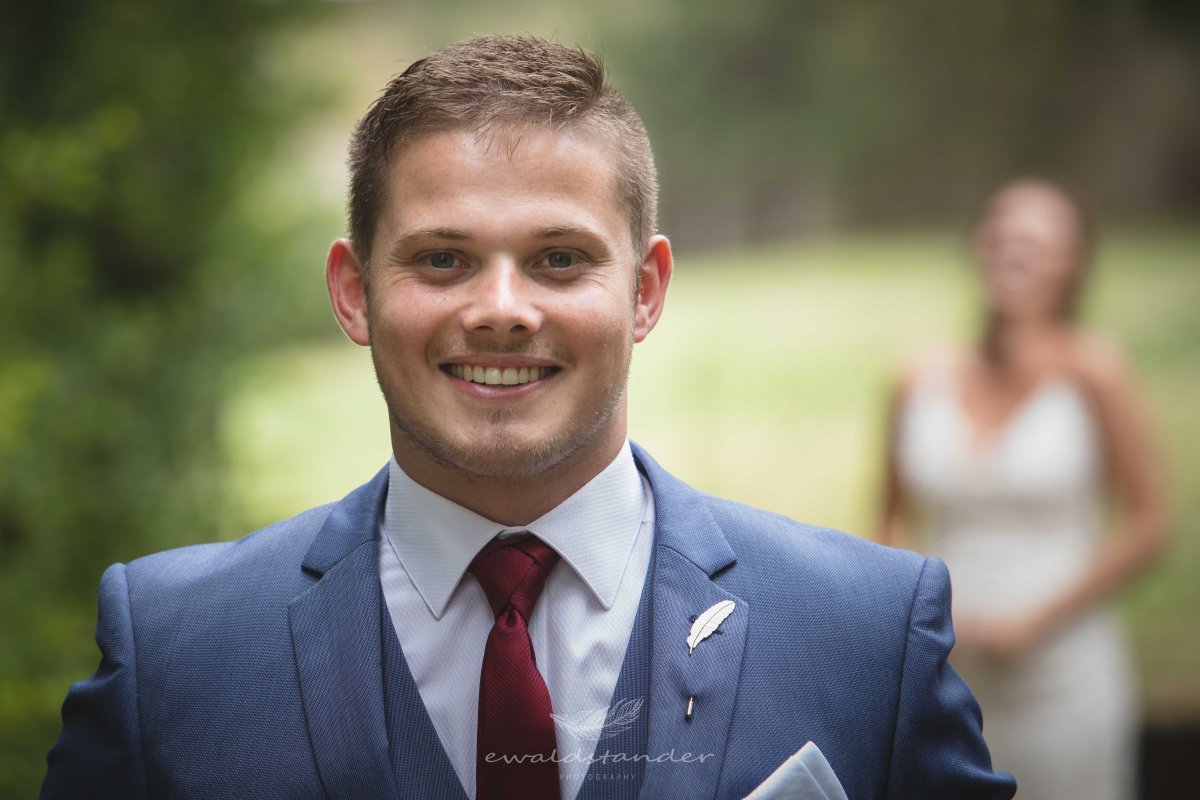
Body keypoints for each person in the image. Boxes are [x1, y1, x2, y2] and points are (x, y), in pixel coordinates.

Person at [42, 34, 1015, 800]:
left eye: (558, 259)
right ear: (352, 291)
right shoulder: (173, 653)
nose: (502, 309)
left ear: (645, 289)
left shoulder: (867, 636)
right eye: (442, 259)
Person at [879, 178, 1172, 799]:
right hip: (946, 670)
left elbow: (1150, 525)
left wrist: (1034, 625)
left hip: (1063, 677)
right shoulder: (917, 376)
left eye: (1039, 242)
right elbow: (886, 524)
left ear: (1073, 266)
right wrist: (924, 618)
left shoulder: (1096, 371)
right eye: (1002, 233)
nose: (1015, 250)